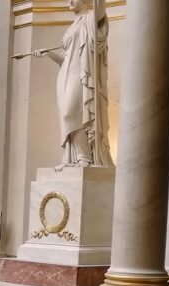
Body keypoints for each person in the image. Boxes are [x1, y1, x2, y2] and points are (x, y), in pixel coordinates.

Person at [31, 0, 113, 168]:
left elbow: (101, 10)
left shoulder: (90, 18)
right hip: (64, 75)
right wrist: (48, 54)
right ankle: (75, 158)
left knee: (71, 113)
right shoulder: (71, 26)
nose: (69, 0)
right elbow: (65, 57)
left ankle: (85, 157)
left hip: (81, 73)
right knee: (66, 116)